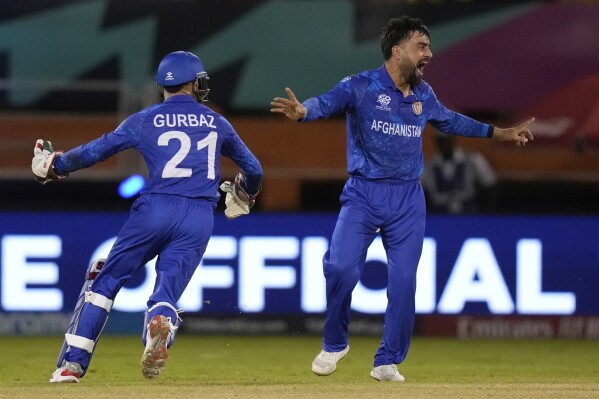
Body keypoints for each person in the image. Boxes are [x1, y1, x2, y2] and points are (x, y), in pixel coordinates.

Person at [270, 16, 533, 382]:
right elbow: (327, 102)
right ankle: (335, 343)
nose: (429, 52)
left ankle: (387, 361)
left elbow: (450, 121)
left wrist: (499, 133)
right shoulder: (361, 86)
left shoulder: (424, 95)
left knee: (405, 281)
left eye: (428, 46)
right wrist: (303, 112)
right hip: (364, 193)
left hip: (408, 198)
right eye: (421, 46)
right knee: (342, 269)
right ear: (398, 51)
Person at [32, 51, 263, 383]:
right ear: (196, 83)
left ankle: (72, 366)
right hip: (198, 216)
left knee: (103, 282)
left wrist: (56, 165)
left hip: (155, 209)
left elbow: (96, 151)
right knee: (166, 293)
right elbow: (254, 168)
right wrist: (246, 192)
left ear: (161, 86)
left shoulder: (144, 119)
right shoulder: (216, 122)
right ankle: (160, 327)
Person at [421, 132, 497, 214]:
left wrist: (486, 214)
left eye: (447, 140)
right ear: (436, 143)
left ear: (453, 140)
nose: (445, 144)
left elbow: (490, 184)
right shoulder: (428, 166)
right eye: (442, 141)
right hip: (439, 215)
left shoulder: (473, 159)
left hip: (469, 214)